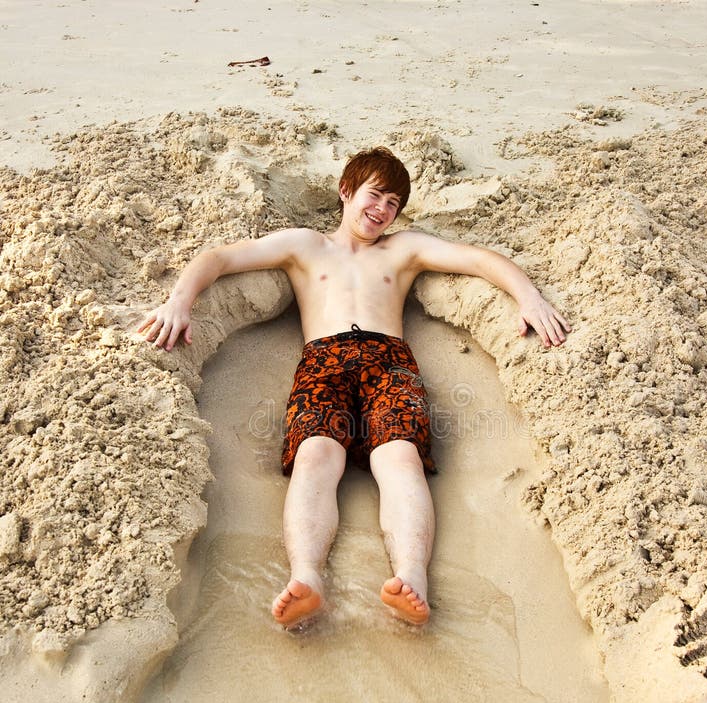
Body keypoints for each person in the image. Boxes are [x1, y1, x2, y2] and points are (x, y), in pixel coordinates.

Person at [138, 147, 570, 629]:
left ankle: (411, 576)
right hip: (323, 361)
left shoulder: (403, 249)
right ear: (347, 191)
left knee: (400, 458)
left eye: (393, 203)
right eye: (375, 195)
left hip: (390, 362)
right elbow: (219, 259)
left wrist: (528, 295)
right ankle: (306, 577)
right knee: (315, 456)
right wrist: (179, 301)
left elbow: (479, 260)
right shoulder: (305, 246)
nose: (382, 210)